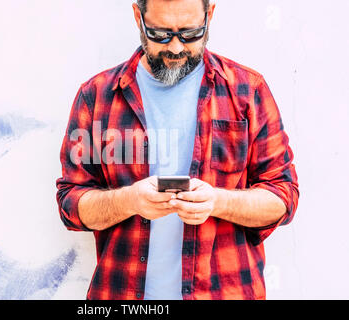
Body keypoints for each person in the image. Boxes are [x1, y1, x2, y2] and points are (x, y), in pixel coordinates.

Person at [56, 0, 299, 300]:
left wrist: (217, 202)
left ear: (209, 16)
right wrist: (129, 200)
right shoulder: (96, 97)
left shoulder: (247, 91)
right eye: (159, 34)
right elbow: (70, 204)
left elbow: (283, 197)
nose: (174, 47)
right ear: (138, 17)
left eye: (190, 33)